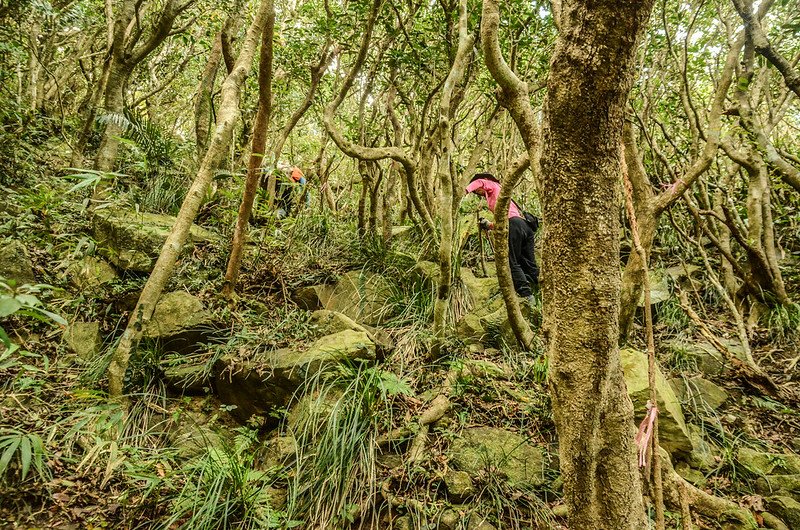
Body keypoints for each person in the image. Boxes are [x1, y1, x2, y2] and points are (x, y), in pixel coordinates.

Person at [465, 172, 539, 302]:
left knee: (512, 261)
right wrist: (489, 225)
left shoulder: (490, 184)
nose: (478, 192)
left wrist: (465, 190)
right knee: (528, 261)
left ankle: (527, 294)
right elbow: (506, 218)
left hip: (514, 225)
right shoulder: (501, 192)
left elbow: (480, 182)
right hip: (524, 225)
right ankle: (539, 290)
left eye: (477, 191)